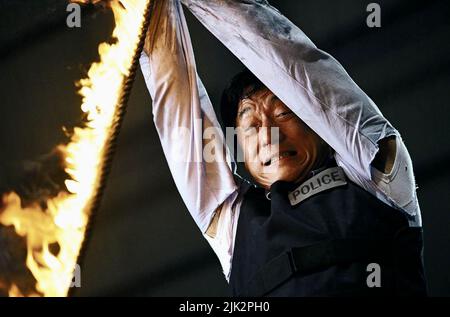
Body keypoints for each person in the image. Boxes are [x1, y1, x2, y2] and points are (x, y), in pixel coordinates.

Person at [139, 0, 427, 296]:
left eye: (283, 114)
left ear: (316, 120)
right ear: (241, 154)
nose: (269, 136)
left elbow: (286, 56)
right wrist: (143, 8)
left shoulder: (377, 172)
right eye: (251, 126)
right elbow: (173, 96)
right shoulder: (232, 227)